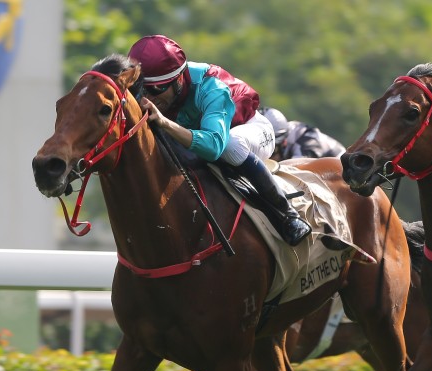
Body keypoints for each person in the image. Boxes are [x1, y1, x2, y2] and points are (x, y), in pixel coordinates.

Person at [128, 35, 311, 246]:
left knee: (230, 146)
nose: (148, 97)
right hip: (198, 136)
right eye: (141, 89)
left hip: (246, 131)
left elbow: (214, 146)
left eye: (156, 89)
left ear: (179, 79)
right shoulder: (156, 89)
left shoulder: (211, 86)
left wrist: (165, 123)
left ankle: (288, 216)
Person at [261, 107, 346, 161]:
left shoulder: (306, 143)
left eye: (271, 150)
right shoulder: (284, 131)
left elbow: (295, 174)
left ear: (284, 142)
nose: (266, 157)